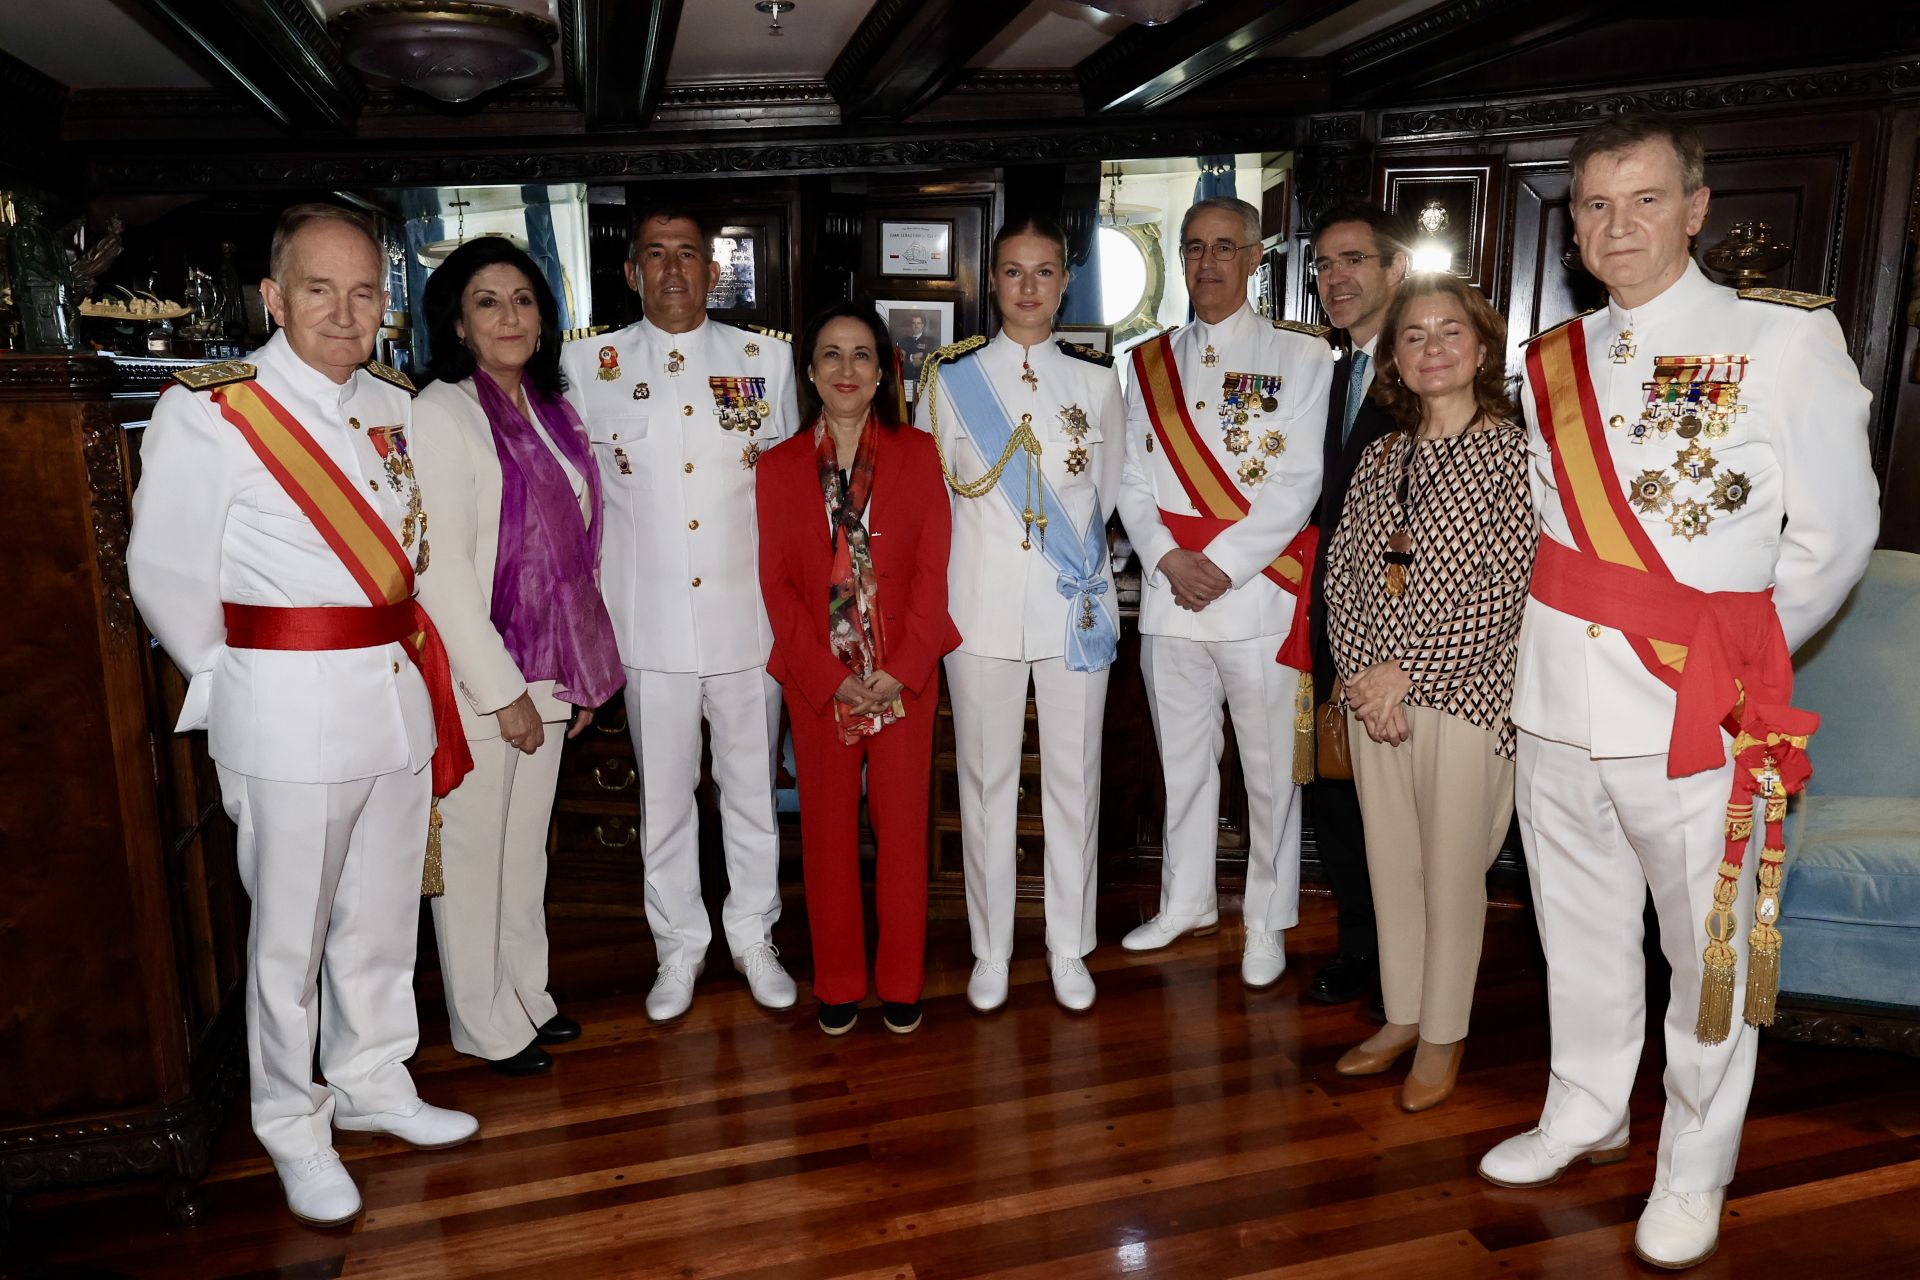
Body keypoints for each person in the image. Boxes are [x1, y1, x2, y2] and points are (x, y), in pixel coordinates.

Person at [1476, 117, 1878, 1269]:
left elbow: (1838, 537)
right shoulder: (1553, 353)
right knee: (1580, 931)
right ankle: (1585, 1108)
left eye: (1645, 200)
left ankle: (1695, 1163)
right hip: (1556, 700)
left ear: (1695, 208)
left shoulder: (1781, 340)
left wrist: (1730, 659)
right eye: (1597, 205)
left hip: (1697, 712)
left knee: (1711, 952)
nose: (1619, 226)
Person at [127, 204, 478, 1227]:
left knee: (378, 914)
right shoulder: (218, 408)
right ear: (273, 297)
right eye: (319, 289)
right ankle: (291, 1119)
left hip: (392, 696)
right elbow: (165, 571)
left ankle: (374, 1077)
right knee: (290, 936)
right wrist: (238, 683)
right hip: (286, 709)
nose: (344, 310)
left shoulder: (391, 402)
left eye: (365, 291)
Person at [560, 207, 800, 1023]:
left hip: (746, 624)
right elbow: (575, 502)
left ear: (712, 271)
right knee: (662, 800)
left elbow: (796, 495)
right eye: (654, 255)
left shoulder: (767, 359)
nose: (671, 270)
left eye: (688, 255)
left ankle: (753, 933)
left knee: (751, 794)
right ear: (631, 271)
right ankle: (678, 947)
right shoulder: (586, 363)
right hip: (647, 627)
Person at [412, 236, 624, 1076]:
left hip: (552, 665)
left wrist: (578, 677)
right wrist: (501, 691)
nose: (509, 316)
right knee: (471, 852)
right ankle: (483, 1022)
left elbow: (580, 556)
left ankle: (526, 996)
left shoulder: (557, 410)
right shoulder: (443, 412)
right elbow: (444, 570)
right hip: (483, 674)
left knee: (522, 847)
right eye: (487, 302)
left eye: (523, 299)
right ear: (459, 324)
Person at [1321, 274, 1533, 1113]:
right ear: (1394, 360)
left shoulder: (1514, 453)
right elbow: (1344, 576)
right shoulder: (1379, 457)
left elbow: (1506, 588)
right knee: (1392, 868)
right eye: (1415, 336)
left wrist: (1408, 673)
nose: (1433, 348)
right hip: (1379, 701)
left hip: (1466, 699)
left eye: (1452, 332)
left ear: (1481, 350)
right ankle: (1403, 1014)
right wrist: (1369, 679)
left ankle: (1444, 1034)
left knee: (1451, 874)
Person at [1114, 196, 1332, 987]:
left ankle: (1266, 918)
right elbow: (1129, 477)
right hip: (1172, 600)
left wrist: (1226, 565)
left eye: (1223, 248)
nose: (1207, 263)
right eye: (1194, 248)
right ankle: (1186, 900)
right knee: (1184, 763)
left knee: (1271, 770)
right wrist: (1170, 557)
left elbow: (1298, 482)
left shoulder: (1303, 357)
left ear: (1254, 258)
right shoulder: (1144, 362)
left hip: (1260, 598)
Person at [916, 216, 1125, 1013]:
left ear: (1064, 282)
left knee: (1075, 782)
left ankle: (1068, 946)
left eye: (1044, 272)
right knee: (986, 782)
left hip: (1073, 609)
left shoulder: (1099, 382)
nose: (1029, 287)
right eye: (1013, 272)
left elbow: (1101, 499)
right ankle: (991, 949)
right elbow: (935, 506)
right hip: (980, 613)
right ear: (991, 281)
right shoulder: (947, 380)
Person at [755, 303, 960, 1035]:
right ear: (809, 372)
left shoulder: (918, 455)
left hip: (904, 675)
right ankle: (839, 980)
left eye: (862, 356)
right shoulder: (777, 468)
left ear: (882, 373)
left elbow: (936, 574)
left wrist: (900, 670)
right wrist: (827, 671)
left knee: (902, 831)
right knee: (828, 834)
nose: (847, 370)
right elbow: (776, 584)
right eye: (831, 355)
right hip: (821, 682)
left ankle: (901, 979)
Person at [1305, 201, 1410, 1012]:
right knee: (1337, 789)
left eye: (1352, 262)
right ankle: (1360, 950)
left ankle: (1408, 972)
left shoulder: (1421, 363)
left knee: (1399, 804)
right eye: (1324, 265)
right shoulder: (1332, 367)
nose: (1335, 279)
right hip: (1325, 616)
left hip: (1398, 619)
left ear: (1395, 270)